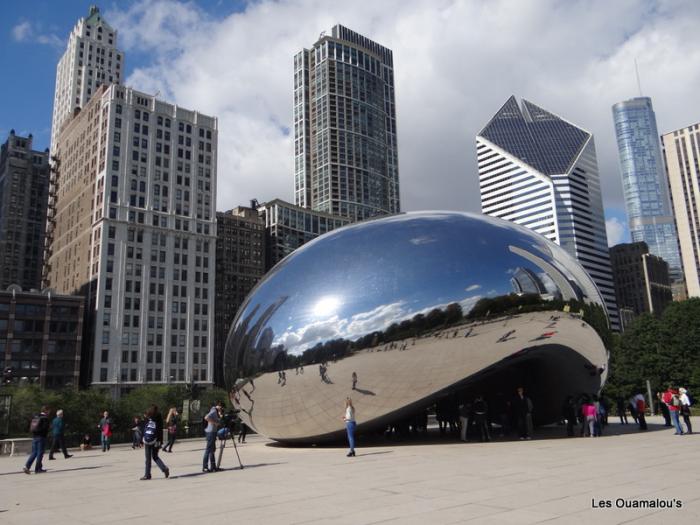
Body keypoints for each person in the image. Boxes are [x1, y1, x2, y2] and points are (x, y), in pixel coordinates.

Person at [141, 405, 169, 480]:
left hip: (148, 439)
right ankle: (164, 468)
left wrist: (142, 439)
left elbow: (145, 428)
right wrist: (160, 441)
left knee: (148, 458)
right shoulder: (159, 416)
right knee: (155, 456)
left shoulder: (147, 416)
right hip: (156, 439)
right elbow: (160, 429)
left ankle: (147, 475)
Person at [23, 406, 50, 474]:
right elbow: (45, 428)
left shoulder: (36, 416)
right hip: (41, 437)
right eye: (49, 411)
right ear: (46, 410)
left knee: (34, 452)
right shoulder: (45, 418)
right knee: (40, 453)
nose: (49, 412)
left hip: (34, 437)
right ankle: (38, 469)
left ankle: (27, 466)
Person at [202, 401, 222, 472]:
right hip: (210, 432)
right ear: (218, 405)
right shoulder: (213, 410)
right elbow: (206, 417)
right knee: (208, 449)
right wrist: (215, 423)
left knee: (212, 450)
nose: (221, 408)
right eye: (220, 406)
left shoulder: (216, 411)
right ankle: (205, 467)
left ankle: (213, 467)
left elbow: (218, 420)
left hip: (212, 432)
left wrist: (219, 413)